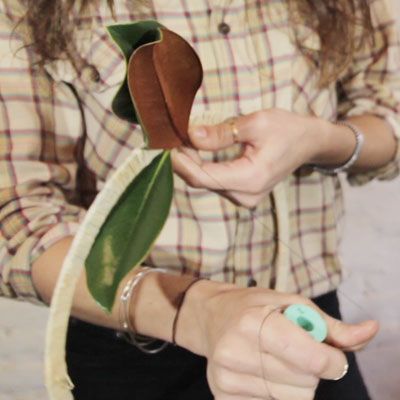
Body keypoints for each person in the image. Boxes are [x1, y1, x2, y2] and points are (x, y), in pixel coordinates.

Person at [0, 0, 399, 399]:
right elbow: (17, 216)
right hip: (134, 345)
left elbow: (388, 108)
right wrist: (200, 311)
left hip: (308, 325)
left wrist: (323, 140)